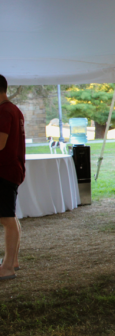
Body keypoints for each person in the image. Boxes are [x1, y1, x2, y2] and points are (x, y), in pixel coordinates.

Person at [0, 74, 24, 281]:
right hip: (11, 170)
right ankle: (12, 260)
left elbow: (0, 143)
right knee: (9, 216)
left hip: (4, 171)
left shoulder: (5, 111)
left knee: (6, 218)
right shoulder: (13, 109)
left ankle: (7, 267)